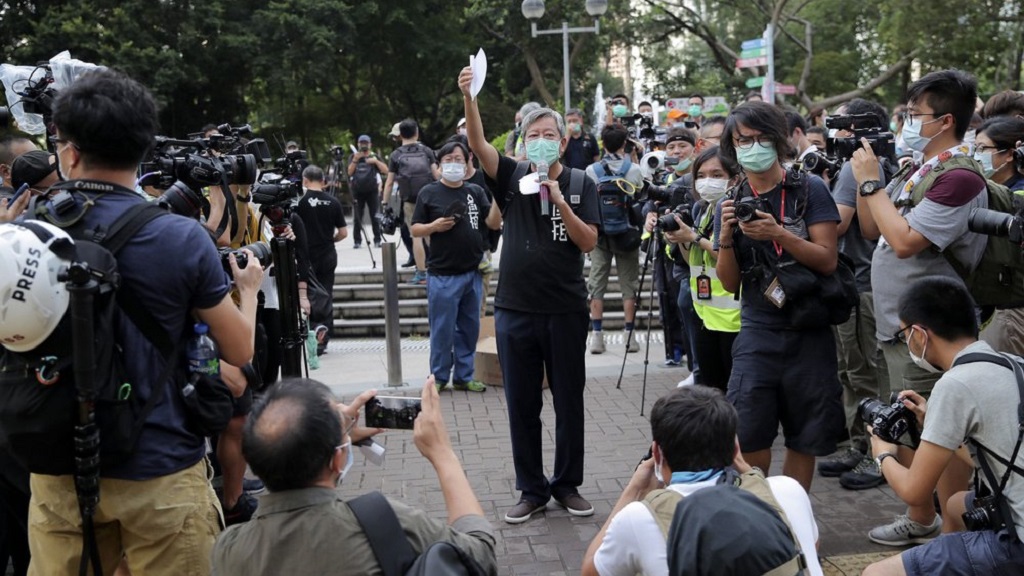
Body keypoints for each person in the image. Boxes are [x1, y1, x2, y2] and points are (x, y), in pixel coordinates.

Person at [23, 69, 261, 576]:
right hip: (161, 470)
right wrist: (250, 289)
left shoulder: (26, 233)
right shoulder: (180, 237)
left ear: (68, 152)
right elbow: (240, 352)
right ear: (142, 149)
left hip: (57, 471)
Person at [459, 65, 601, 524]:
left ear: (562, 142)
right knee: (522, 403)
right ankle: (531, 489)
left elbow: (589, 242)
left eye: (548, 134)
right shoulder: (511, 175)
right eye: (532, 134)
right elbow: (479, 146)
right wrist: (470, 98)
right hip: (514, 310)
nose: (540, 140)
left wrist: (560, 199)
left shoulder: (582, 183)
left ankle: (567, 485)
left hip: (565, 310)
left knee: (569, 400)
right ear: (522, 141)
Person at [852, 69, 985, 544]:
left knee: (942, 435)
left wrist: (870, 186)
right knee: (914, 424)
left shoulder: (961, 176)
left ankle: (949, 532)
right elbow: (873, 232)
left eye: (914, 114)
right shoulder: (919, 166)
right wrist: (867, 180)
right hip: (904, 326)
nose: (906, 121)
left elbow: (906, 241)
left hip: (936, 328)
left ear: (945, 119)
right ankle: (924, 516)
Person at [211, 378, 498, 576]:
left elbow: (306, 487)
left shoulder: (229, 549)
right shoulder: (381, 521)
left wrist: (335, 439)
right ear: (338, 459)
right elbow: (479, 556)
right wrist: (443, 454)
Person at [715, 101, 844, 492]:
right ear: (732, 145)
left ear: (778, 139)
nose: (752, 146)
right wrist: (724, 238)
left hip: (807, 326)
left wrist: (780, 234)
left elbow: (827, 260)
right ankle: (762, 514)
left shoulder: (810, 188)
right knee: (749, 431)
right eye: (743, 140)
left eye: (760, 138)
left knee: (805, 435)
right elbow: (728, 284)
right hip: (758, 329)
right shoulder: (734, 195)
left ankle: (795, 516)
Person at [862, 277, 1024, 575]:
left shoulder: (954, 384)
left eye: (904, 335)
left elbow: (914, 491)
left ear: (919, 335)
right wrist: (930, 421)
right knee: (954, 506)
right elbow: (988, 454)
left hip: (1018, 541)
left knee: (875, 573)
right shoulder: (1012, 363)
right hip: (1015, 505)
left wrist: (882, 453)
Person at [580, 386, 822, 576]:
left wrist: (634, 490)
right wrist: (749, 472)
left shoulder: (638, 518)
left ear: (656, 454)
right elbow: (809, 550)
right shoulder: (788, 490)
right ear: (735, 447)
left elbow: (589, 571)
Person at [815, 99, 892, 490]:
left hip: (863, 286)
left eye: (843, 125)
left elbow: (839, 224)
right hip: (860, 283)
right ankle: (862, 445)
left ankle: (880, 456)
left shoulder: (856, 166)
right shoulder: (868, 163)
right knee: (854, 370)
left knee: (866, 372)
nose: (837, 133)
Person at [411, 140, 490, 392]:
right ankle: (439, 376)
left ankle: (464, 376)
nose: (453, 164)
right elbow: (415, 228)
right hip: (443, 274)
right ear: (439, 164)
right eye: (448, 160)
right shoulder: (429, 192)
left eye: (458, 159)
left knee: (469, 328)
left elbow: (491, 220)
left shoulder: (475, 192)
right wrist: (434, 226)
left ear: (468, 163)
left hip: (473, 272)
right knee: (443, 329)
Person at [661, 146, 741, 392]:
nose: (708, 182)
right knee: (710, 389)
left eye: (717, 175)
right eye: (702, 176)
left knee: (733, 391)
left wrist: (694, 237)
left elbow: (728, 257)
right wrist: (681, 238)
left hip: (734, 319)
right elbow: (691, 260)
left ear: (734, 179)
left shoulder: (737, 210)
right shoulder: (702, 209)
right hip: (704, 312)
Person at [586, 124, 643, 355]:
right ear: (624, 144)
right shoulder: (634, 170)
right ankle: (629, 337)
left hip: (600, 236)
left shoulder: (591, 170)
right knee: (628, 285)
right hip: (626, 235)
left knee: (596, 284)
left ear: (603, 143)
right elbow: (640, 197)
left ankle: (597, 338)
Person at [383, 119, 439, 285]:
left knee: (416, 236)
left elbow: (389, 182)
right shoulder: (427, 151)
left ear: (400, 135)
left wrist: (385, 203)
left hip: (410, 201)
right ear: (417, 132)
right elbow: (436, 175)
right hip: (430, 197)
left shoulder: (396, 155)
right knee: (430, 234)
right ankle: (438, 268)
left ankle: (421, 273)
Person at [296, 164, 347, 300]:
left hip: (306, 256)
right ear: (323, 181)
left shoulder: (299, 202)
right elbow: (343, 233)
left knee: (307, 295)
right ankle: (326, 320)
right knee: (326, 293)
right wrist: (331, 239)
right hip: (327, 254)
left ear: (305, 180)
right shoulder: (333, 202)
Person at [348, 134, 388, 249]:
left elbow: (386, 170)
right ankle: (357, 241)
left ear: (370, 144)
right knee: (357, 217)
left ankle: (377, 239)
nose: (364, 145)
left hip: (372, 191)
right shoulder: (353, 156)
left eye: (366, 143)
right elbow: (349, 173)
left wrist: (375, 162)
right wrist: (355, 160)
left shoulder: (374, 156)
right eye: (362, 143)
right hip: (357, 191)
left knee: (376, 216)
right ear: (358, 144)